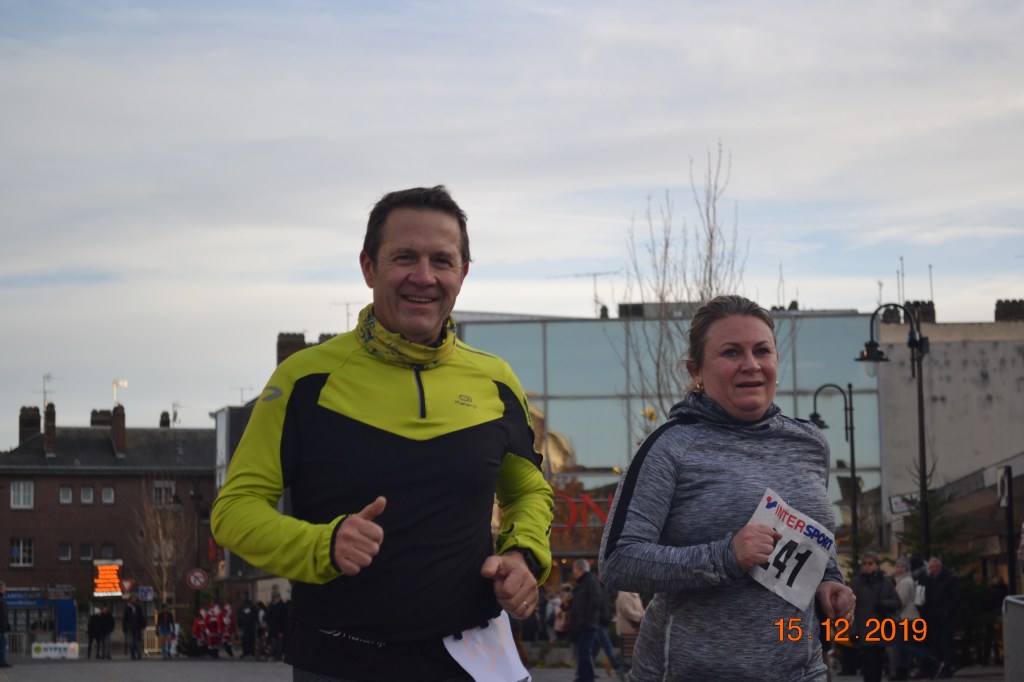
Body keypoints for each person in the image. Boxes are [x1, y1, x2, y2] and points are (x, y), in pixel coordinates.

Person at [211, 185, 554, 681]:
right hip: (340, 661)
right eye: (405, 257)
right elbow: (234, 510)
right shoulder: (305, 379)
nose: (424, 276)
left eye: (442, 260)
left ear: (462, 274)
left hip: (470, 659)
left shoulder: (496, 380)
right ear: (368, 267)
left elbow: (528, 492)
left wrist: (522, 554)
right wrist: (324, 544)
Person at [599, 294, 856, 681]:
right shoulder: (669, 447)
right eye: (731, 352)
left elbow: (813, 543)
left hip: (802, 672)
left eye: (762, 350)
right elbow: (618, 561)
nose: (751, 364)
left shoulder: (810, 444)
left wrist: (829, 582)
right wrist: (724, 557)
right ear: (696, 371)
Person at [849, 552, 900, 682]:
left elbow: (897, 602)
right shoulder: (856, 583)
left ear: (876, 565)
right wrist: (853, 631)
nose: (867, 566)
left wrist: (884, 604)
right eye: (864, 563)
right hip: (865, 629)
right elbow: (851, 608)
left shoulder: (886, 582)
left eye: (870, 563)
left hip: (882, 629)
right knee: (869, 664)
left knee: (878, 664)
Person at [889, 558, 939, 680]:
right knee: (903, 645)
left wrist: (892, 613)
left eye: (902, 567)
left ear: (907, 569)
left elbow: (901, 602)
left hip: (907, 618)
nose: (899, 569)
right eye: (898, 567)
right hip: (907, 618)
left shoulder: (905, 582)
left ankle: (930, 661)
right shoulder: (904, 581)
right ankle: (902, 671)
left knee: (905, 645)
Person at [921, 557, 959, 679]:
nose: (934, 569)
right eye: (932, 567)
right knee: (936, 642)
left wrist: (948, 611)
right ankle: (937, 667)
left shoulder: (949, 579)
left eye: (936, 566)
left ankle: (946, 667)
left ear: (940, 567)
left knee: (946, 642)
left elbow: (955, 597)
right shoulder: (929, 580)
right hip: (934, 616)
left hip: (945, 615)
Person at [569, 560, 603, 682]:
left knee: (584, 652)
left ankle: (586, 678)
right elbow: (579, 603)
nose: (573, 572)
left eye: (574, 569)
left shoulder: (590, 582)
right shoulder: (582, 583)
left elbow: (595, 602)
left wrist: (585, 620)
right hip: (582, 624)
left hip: (587, 625)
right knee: (583, 652)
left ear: (579, 569)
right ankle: (584, 676)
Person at [614, 590, 645, 671]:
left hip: (635, 629)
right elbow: (627, 611)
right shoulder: (624, 594)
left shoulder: (636, 595)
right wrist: (641, 618)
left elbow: (641, 610)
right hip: (626, 628)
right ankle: (621, 664)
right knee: (627, 649)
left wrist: (645, 617)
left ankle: (623, 664)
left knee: (632, 649)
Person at [123, 594, 145, 660]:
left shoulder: (138, 608)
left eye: (134, 600)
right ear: (130, 600)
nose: (133, 601)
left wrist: (143, 625)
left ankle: (138, 653)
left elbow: (141, 617)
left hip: (137, 627)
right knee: (131, 642)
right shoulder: (127, 608)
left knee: (136, 641)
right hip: (130, 627)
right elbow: (125, 619)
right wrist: (124, 627)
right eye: (132, 599)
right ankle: (133, 654)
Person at [0, 581, 11, 668]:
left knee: (3, 644)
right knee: (2, 644)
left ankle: (2, 661)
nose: (5, 589)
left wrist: (7, 624)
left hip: (2, 627)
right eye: (4, 588)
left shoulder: (2, 599)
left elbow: (4, 615)